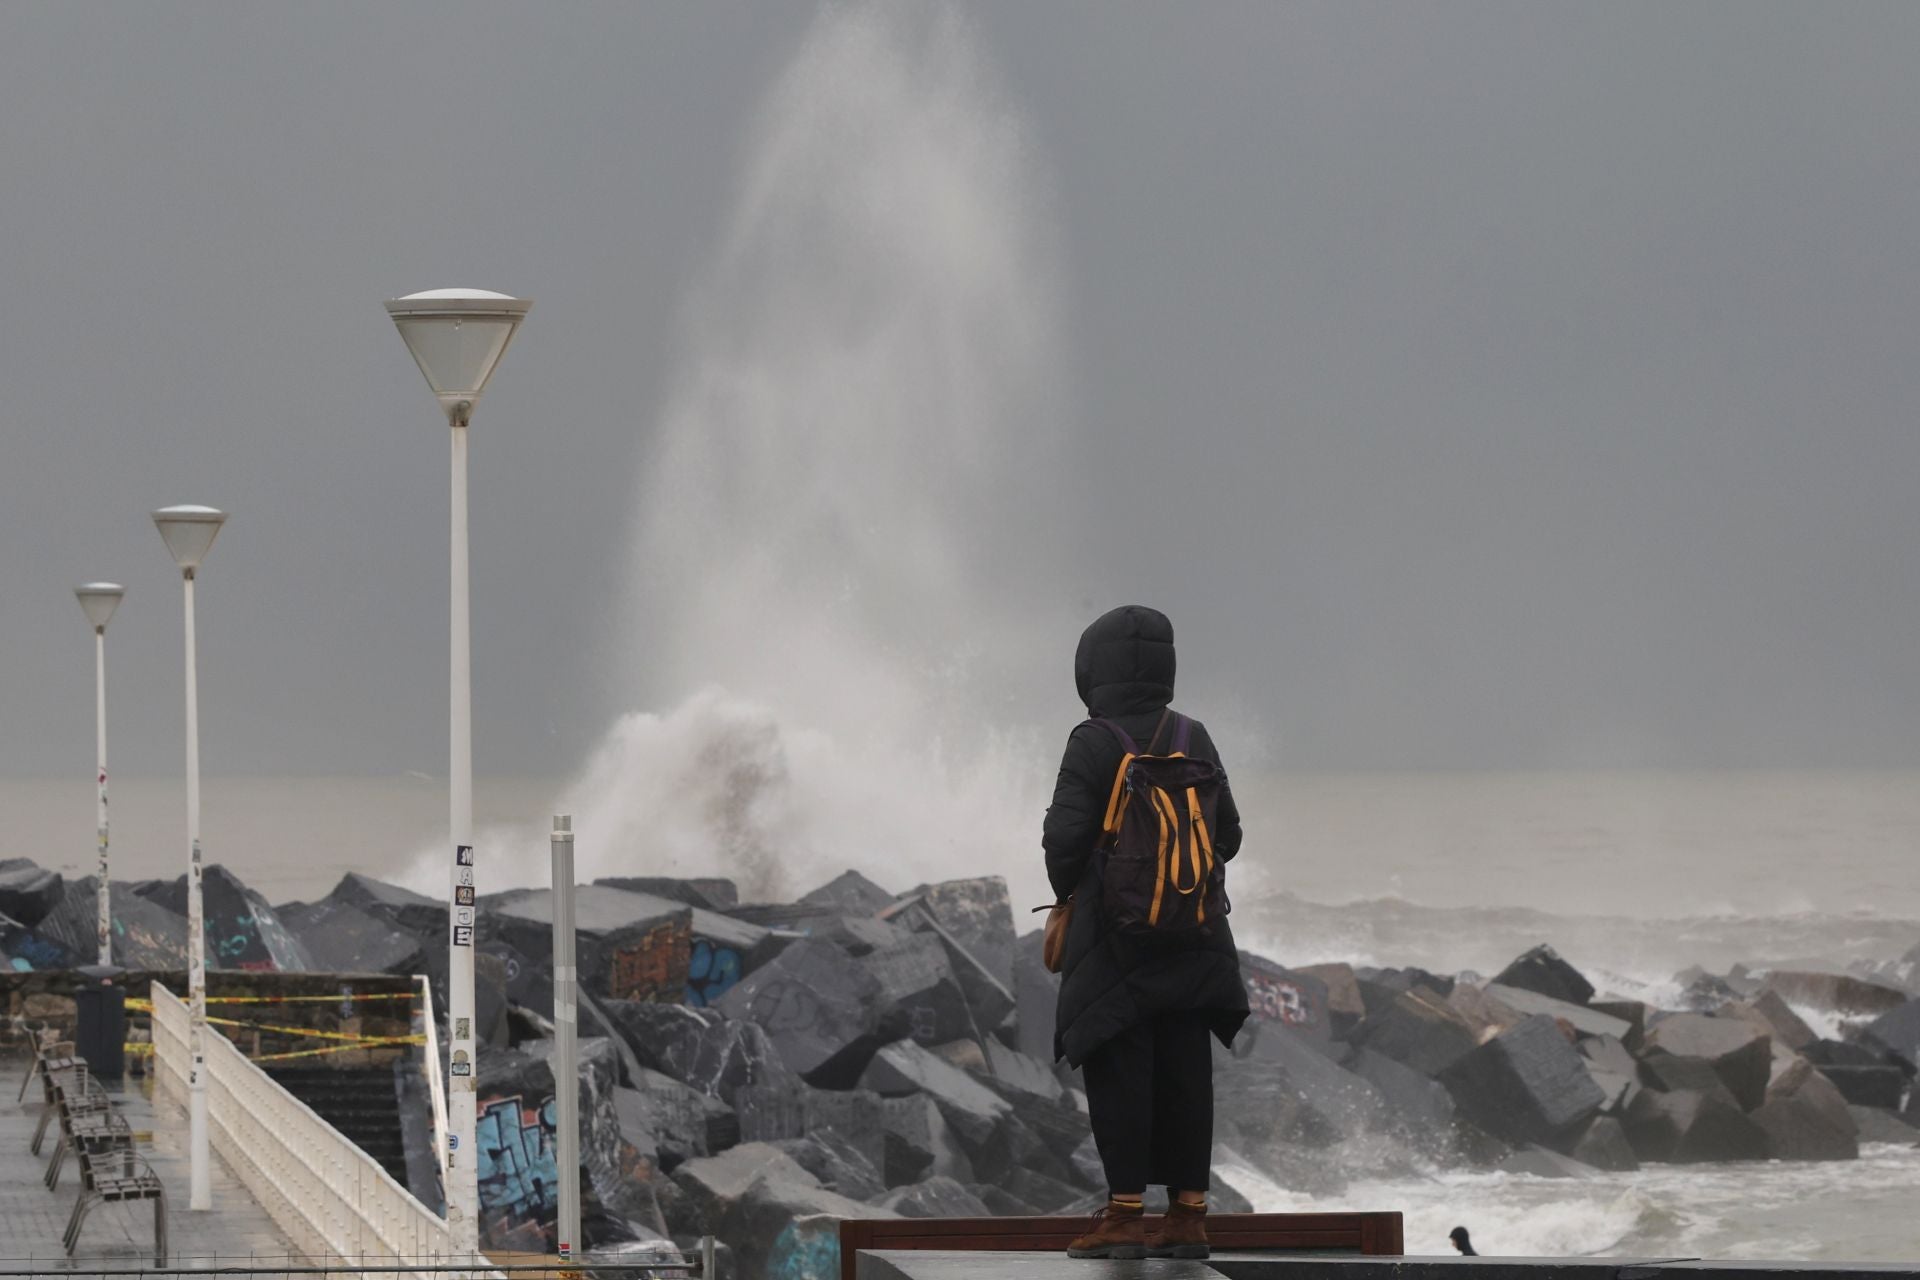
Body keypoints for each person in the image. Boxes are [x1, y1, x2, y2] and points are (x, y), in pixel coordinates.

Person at [1043, 605, 1249, 1260]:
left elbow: (1064, 840)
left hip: (1117, 940)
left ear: (1093, 668)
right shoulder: (1194, 733)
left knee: (1120, 1070)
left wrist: (1074, 892)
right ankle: (1189, 1218)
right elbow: (1229, 835)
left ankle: (1125, 1217)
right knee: (1187, 1072)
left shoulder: (1093, 740)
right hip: (1196, 934)